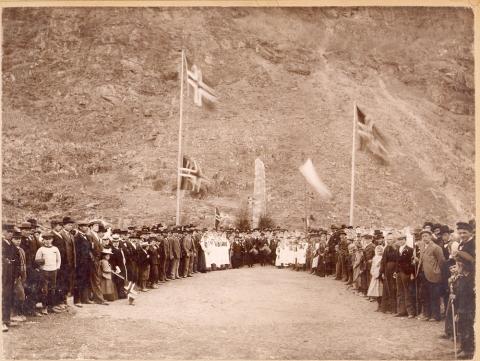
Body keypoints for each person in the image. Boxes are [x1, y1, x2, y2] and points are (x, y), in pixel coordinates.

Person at [451, 251, 475, 359]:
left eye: (458, 264)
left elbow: (469, 295)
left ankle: (468, 350)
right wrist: (454, 296)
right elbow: (459, 293)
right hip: (461, 307)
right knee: (462, 327)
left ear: (463, 265)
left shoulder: (472, 279)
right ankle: (463, 346)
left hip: (468, 309)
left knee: (468, 328)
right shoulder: (461, 277)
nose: (456, 267)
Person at [417, 229, 445, 322]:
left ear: (430, 236)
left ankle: (435, 315)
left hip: (433, 275)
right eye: (423, 236)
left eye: (426, 236)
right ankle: (426, 314)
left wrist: (437, 271)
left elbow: (441, 261)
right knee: (425, 295)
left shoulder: (436, 247)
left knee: (434, 296)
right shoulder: (421, 246)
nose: (424, 238)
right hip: (423, 274)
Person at [35, 232, 61, 315]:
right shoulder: (41, 249)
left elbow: (58, 259)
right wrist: (41, 268)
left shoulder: (55, 249)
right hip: (44, 271)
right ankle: (44, 307)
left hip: (53, 270)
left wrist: (57, 267)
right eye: (46, 239)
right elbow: (37, 260)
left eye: (49, 239)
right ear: (43, 240)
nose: (48, 241)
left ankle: (51, 307)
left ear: (52, 240)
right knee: (44, 289)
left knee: (52, 289)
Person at [394, 235, 415, 318]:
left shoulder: (410, 249)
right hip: (399, 272)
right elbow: (396, 262)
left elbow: (412, 263)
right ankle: (401, 311)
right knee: (399, 291)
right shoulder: (397, 249)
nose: (400, 241)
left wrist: (412, 273)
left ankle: (410, 312)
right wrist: (395, 271)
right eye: (399, 240)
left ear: (405, 240)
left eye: (402, 239)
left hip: (406, 272)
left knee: (407, 291)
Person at [3, 224, 18, 331]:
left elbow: (16, 258)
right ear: (3, 231)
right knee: (3, 296)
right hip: (3, 274)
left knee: (9, 295)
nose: (10, 234)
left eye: (12, 232)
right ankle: (3, 321)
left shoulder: (12, 244)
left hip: (11, 274)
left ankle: (7, 319)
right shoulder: (2, 243)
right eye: (8, 232)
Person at [73, 221, 93, 307]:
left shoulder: (87, 237)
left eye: (87, 226)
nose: (86, 227)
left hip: (87, 262)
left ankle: (85, 298)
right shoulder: (77, 237)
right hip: (80, 263)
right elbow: (76, 252)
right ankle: (77, 300)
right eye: (84, 226)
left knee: (86, 280)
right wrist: (78, 263)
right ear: (80, 227)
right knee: (79, 281)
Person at [379, 233, 397, 314]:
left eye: (390, 239)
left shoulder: (397, 248)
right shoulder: (386, 248)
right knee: (386, 288)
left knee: (393, 288)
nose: (388, 241)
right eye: (388, 239)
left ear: (394, 240)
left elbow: (398, 261)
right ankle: (385, 308)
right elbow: (383, 261)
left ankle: (393, 309)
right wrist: (382, 272)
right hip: (387, 270)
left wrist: (396, 271)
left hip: (393, 271)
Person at [11, 231, 27, 323]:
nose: (18, 241)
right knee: (19, 294)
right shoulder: (12, 250)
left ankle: (19, 313)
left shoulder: (21, 249)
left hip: (22, 274)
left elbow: (23, 263)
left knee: (21, 294)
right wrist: (17, 276)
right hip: (16, 275)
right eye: (16, 239)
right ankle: (14, 314)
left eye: (19, 239)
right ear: (12, 239)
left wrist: (24, 274)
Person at [60, 217, 76, 303]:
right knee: (64, 280)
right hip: (64, 262)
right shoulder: (61, 234)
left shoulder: (71, 235)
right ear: (64, 225)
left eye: (71, 225)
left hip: (72, 261)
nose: (71, 227)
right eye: (69, 225)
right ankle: (63, 299)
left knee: (70, 279)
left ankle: (66, 297)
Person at [367, 245, 384, 311]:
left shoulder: (383, 258)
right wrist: (373, 273)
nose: (379, 252)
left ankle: (381, 305)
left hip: (380, 276)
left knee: (381, 291)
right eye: (378, 251)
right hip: (375, 276)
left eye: (381, 251)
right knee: (376, 291)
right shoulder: (375, 258)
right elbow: (373, 267)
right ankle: (378, 305)